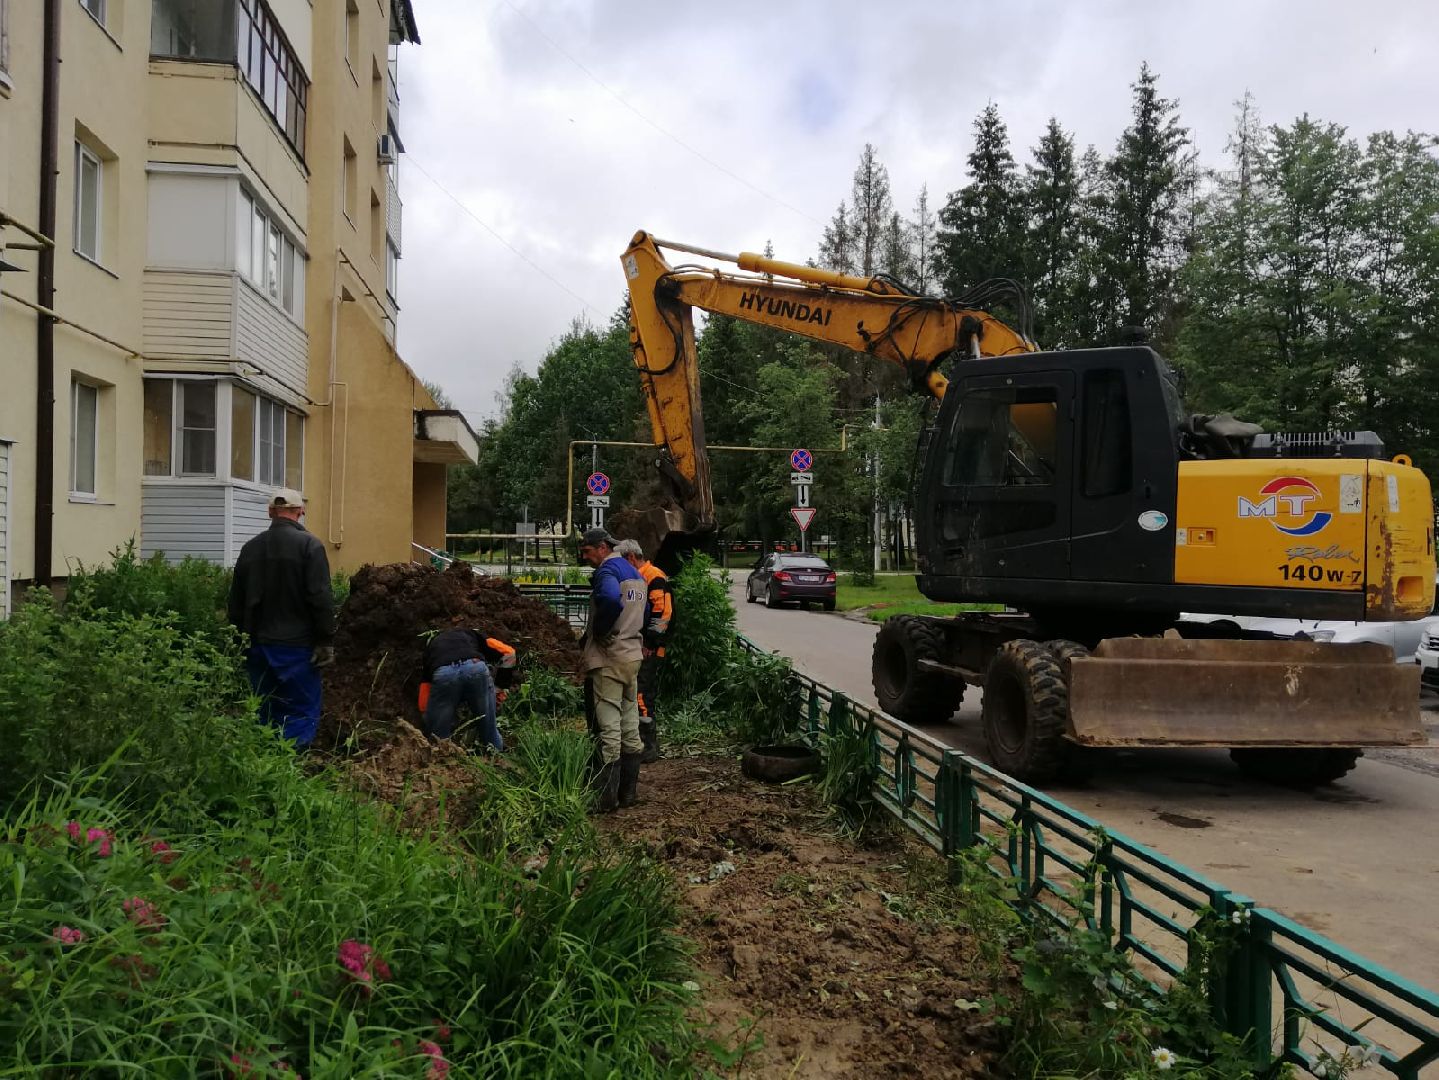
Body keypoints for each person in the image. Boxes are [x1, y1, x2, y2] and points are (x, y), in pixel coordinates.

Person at [228, 489, 335, 749]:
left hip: (257, 646)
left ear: (270, 512)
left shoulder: (250, 548)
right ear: (301, 512)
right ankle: (290, 771)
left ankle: (265, 770)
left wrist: (237, 640)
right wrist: (325, 640)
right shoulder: (311, 546)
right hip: (297, 647)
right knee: (299, 709)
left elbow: (236, 602)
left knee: (264, 708)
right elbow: (319, 597)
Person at [577, 527, 646, 811]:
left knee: (609, 727)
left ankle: (605, 799)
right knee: (630, 723)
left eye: (588, 551)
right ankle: (628, 794)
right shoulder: (636, 573)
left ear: (603, 547)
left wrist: (601, 630)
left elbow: (607, 600)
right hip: (632, 656)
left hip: (610, 658)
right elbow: (647, 613)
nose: (585, 558)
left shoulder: (607, 572)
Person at [615, 539, 671, 764]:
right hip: (643, 646)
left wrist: (650, 643)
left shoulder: (653, 576)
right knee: (640, 693)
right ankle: (641, 742)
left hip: (649, 649)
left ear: (630, 558)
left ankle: (648, 746)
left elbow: (663, 616)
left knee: (642, 695)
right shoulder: (643, 577)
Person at [418, 627, 516, 751]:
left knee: (438, 736)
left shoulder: (432, 647)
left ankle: (441, 758)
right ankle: (497, 753)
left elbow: (425, 686)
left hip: (444, 674)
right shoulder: (471, 634)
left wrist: (427, 716)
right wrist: (499, 689)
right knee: (489, 725)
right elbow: (510, 653)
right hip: (475, 668)